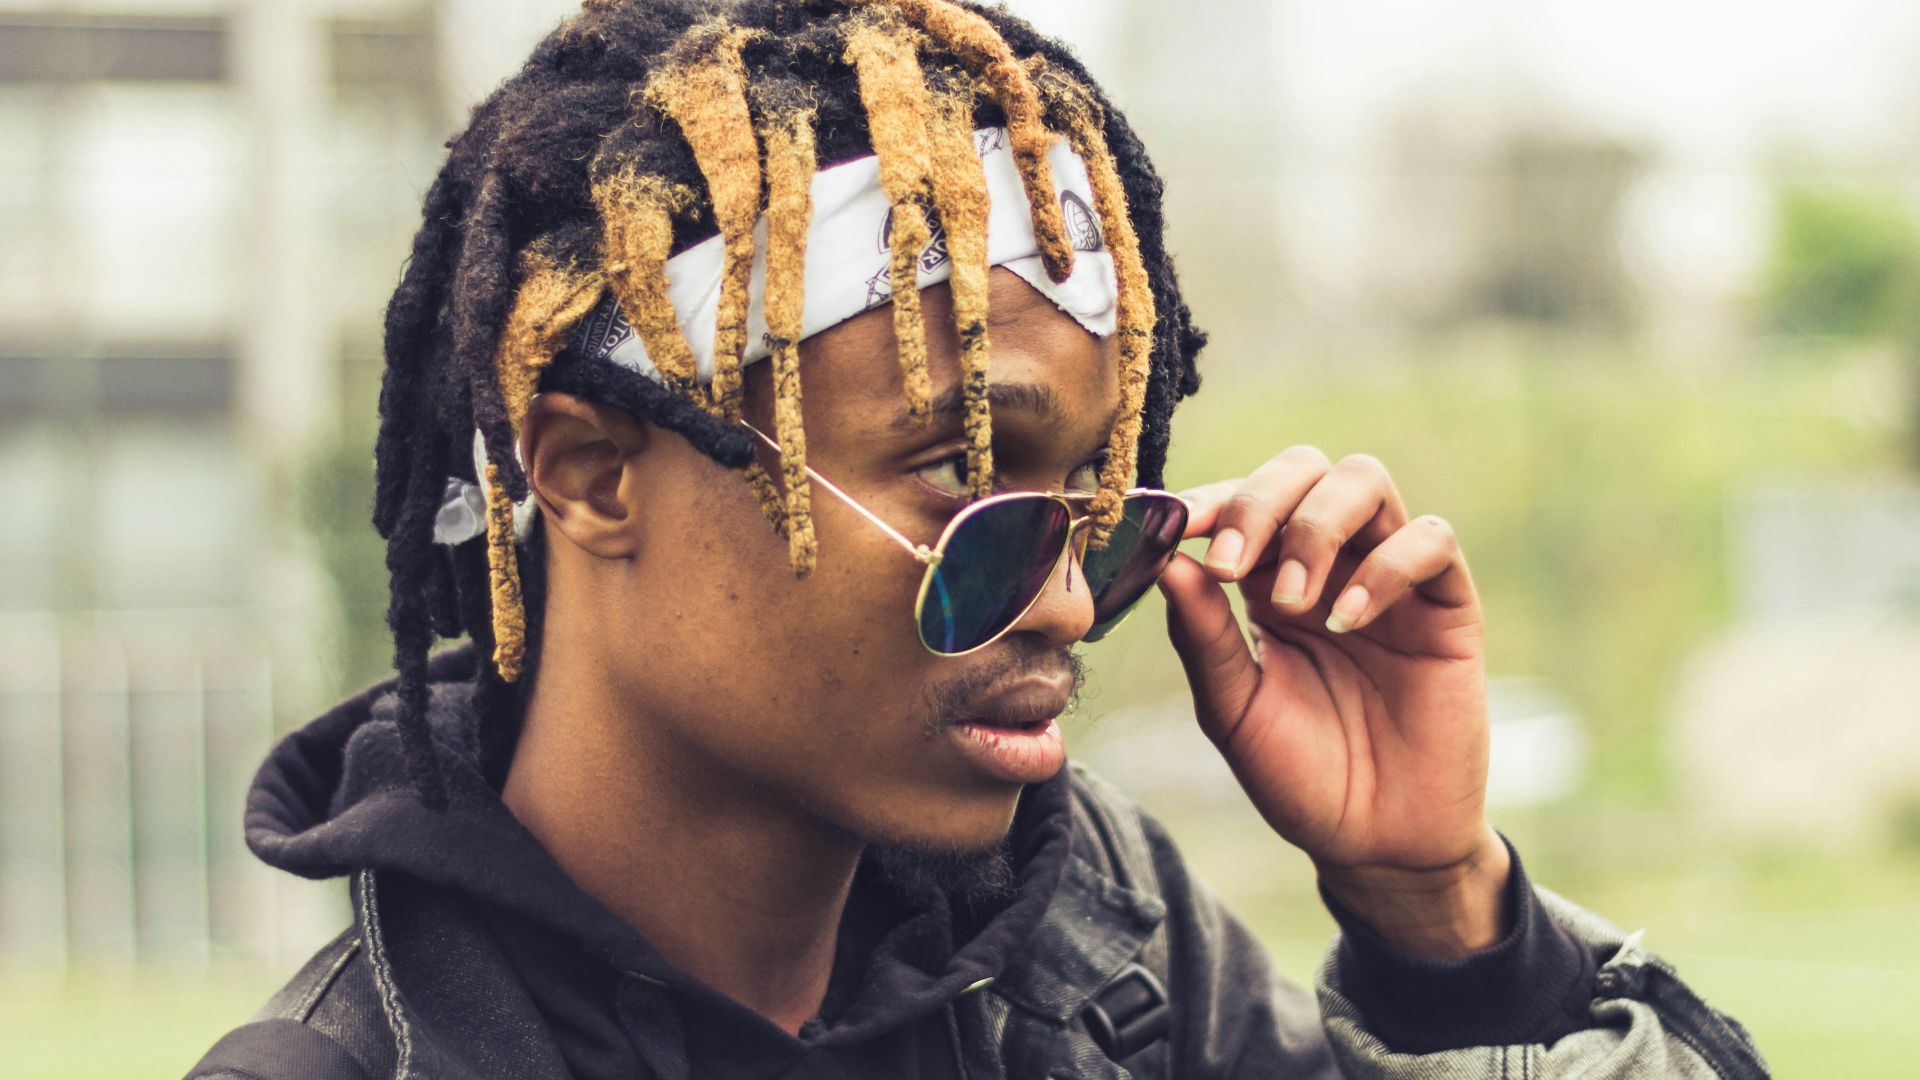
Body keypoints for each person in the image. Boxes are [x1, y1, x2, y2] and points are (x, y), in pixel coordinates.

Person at [188, 1, 1767, 1077]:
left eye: (1096, 499)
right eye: (968, 478)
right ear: (594, 477)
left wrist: (1439, 914)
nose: (1074, 603)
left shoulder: (1103, 948)